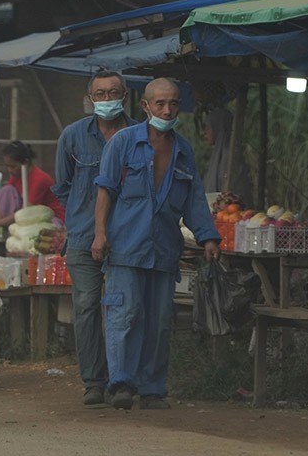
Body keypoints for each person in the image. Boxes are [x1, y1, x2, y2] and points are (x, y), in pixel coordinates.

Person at [92, 78, 220, 411]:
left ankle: (152, 388)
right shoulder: (122, 143)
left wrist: (207, 236)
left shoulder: (183, 150)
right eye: (160, 103)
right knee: (125, 315)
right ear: (145, 107)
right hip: (125, 247)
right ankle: (120, 383)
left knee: (159, 321)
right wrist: (100, 234)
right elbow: (105, 191)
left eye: (173, 103)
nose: (167, 110)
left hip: (163, 249)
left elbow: (194, 200)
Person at [52, 70, 137, 406]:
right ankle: (94, 381)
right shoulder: (72, 137)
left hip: (129, 238)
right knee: (86, 308)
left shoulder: (137, 134)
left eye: (113, 93)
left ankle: (123, 380)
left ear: (125, 96)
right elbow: (61, 186)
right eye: (99, 94)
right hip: (84, 237)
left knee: (125, 310)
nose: (106, 100)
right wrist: (83, 215)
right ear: (90, 98)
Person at [0, 141, 65, 234]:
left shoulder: (39, 179)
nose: (9, 170)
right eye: (7, 166)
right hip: (27, 215)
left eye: (13, 166)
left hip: (49, 218)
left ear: (25, 163)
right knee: (7, 190)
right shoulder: (16, 176)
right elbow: (3, 200)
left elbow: (26, 211)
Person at [201, 107, 253, 205]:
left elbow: (236, 196)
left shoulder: (230, 158)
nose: (205, 131)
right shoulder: (218, 157)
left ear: (218, 127)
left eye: (209, 126)